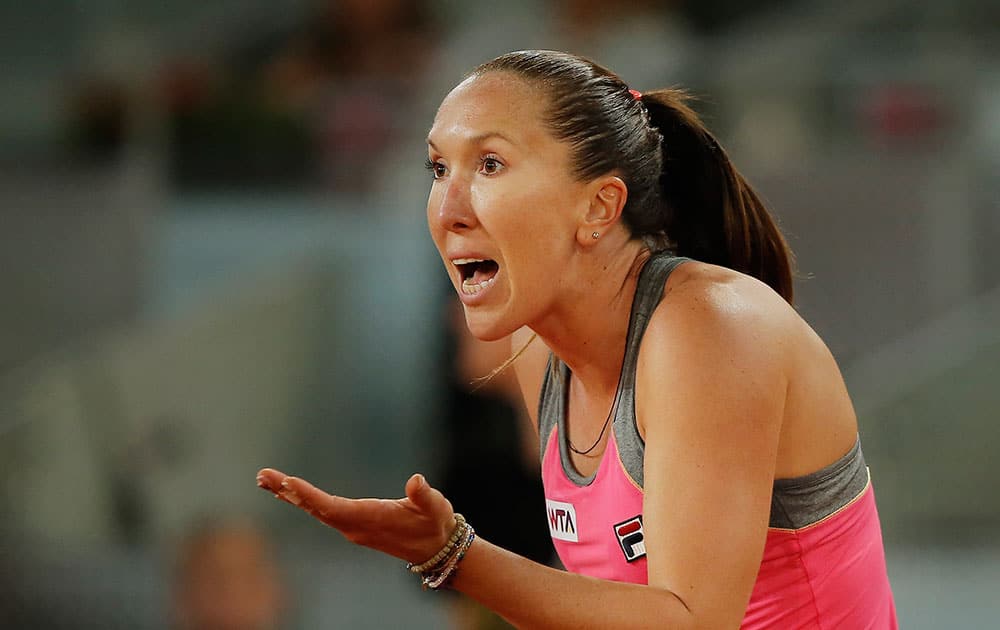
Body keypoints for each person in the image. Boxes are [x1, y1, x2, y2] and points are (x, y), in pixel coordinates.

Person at [257, 50, 897, 628]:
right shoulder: (539, 355)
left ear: (598, 207)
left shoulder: (708, 327)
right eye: (437, 167)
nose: (448, 207)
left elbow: (692, 624)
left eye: (489, 164)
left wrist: (454, 555)